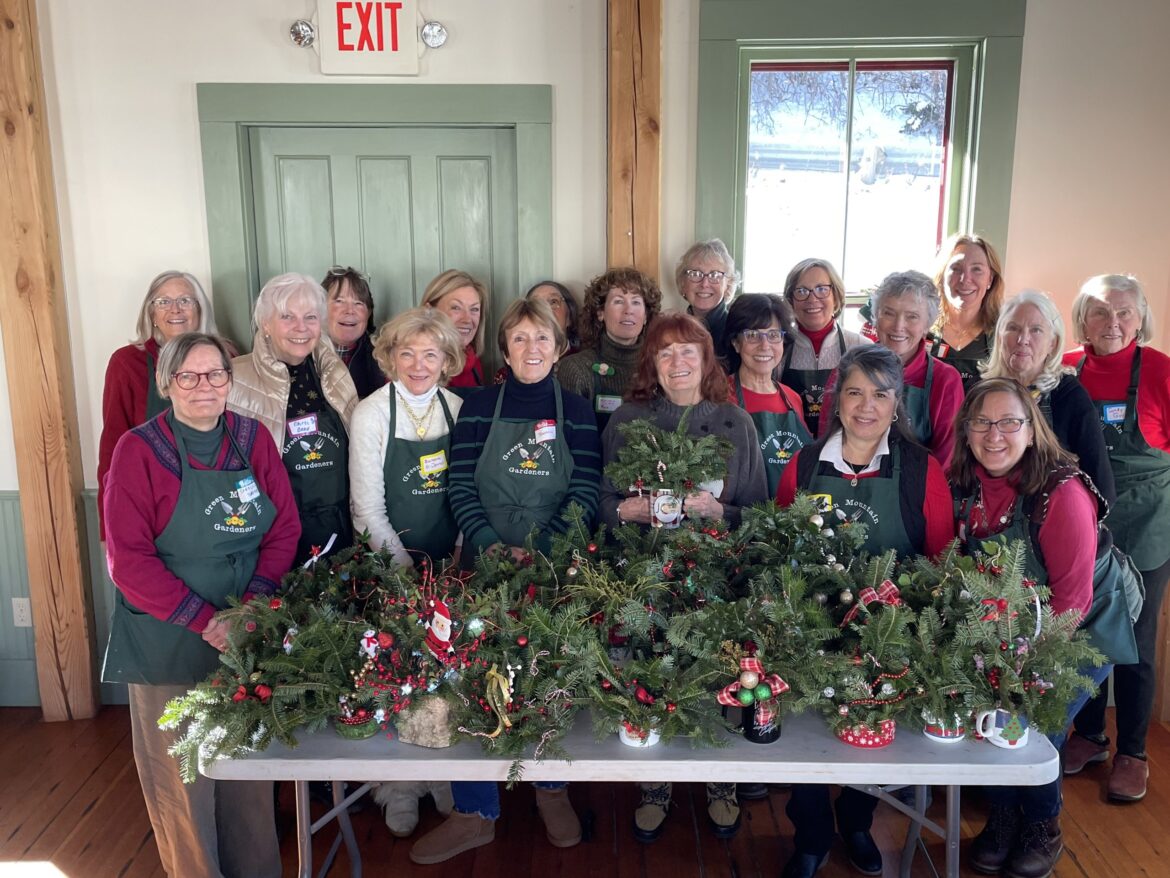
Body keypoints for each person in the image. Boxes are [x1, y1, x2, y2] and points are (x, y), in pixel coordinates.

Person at [102, 332, 300, 878]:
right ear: (166, 384)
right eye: (187, 376)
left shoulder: (252, 439)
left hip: (244, 636)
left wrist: (250, 607)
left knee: (247, 780)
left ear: (230, 381)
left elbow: (284, 529)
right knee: (182, 782)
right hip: (167, 640)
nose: (203, 386)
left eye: (215, 374)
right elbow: (128, 560)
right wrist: (205, 619)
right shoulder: (138, 451)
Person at [412, 297, 601, 864]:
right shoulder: (477, 406)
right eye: (520, 338)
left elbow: (586, 490)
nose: (531, 349)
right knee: (471, 679)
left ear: (559, 348)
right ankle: (475, 811)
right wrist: (491, 545)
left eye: (542, 338)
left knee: (548, 677)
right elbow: (459, 485)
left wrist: (541, 550)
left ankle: (551, 790)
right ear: (505, 349)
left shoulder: (577, 410)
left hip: (553, 566)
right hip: (483, 562)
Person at [775, 345, 954, 878]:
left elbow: (941, 560)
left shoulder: (922, 470)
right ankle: (811, 836)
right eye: (855, 392)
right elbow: (777, 546)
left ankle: (857, 821)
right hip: (811, 631)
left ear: (898, 404)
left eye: (880, 394)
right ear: (838, 401)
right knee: (803, 736)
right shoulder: (806, 464)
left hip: (887, 637)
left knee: (870, 735)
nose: (866, 406)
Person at [599, 313, 768, 844]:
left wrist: (720, 513)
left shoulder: (736, 423)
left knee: (721, 681)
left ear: (706, 359)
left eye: (688, 350)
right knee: (650, 680)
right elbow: (600, 503)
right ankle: (655, 786)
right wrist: (625, 511)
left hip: (717, 580)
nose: (677, 362)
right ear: (651, 363)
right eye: (665, 352)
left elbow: (760, 513)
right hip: (644, 582)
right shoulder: (626, 419)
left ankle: (721, 782)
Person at [951, 379, 1118, 878]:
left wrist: (1023, 674)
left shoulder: (1061, 494)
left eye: (1009, 422)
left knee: (1035, 724)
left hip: (1082, 625)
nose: (994, 434)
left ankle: (1042, 825)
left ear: (1032, 430)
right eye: (982, 422)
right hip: (1015, 623)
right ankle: (1004, 817)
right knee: (994, 717)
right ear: (966, 430)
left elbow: (1071, 602)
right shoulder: (967, 482)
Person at [1061, 274, 1170, 802]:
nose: (1114, 322)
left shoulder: (1162, 372)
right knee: (1082, 631)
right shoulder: (1065, 370)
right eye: (1101, 311)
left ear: (1140, 318)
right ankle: (1089, 735)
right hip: (1082, 522)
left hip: (1145, 522)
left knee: (1136, 643)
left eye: (1125, 312)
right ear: (1083, 319)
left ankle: (1133, 752)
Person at [228, 273, 358, 565]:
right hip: (274, 535)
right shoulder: (234, 379)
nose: (301, 327)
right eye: (287, 316)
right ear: (265, 323)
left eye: (310, 317)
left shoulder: (336, 372)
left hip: (339, 529)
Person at [98, 270, 221, 538]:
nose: (175, 309)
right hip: (149, 508)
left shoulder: (226, 357)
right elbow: (112, 449)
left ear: (200, 310)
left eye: (186, 300)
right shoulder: (126, 363)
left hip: (217, 502)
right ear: (151, 313)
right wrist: (108, 529)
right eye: (163, 302)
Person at [349, 306, 465, 567]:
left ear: (446, 361)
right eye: (407, 354)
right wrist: (404, 570)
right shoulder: (370, 413)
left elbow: (470, 493)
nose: (418, 366)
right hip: (388, 566)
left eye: (430, 355)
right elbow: (367, 510)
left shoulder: (459, 410)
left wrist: (459, 555)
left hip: (452, 564)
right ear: (392, 357)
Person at [982, 289, 1116, 505]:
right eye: (1013, 328)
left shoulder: (1068, 395)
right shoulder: (979, 391)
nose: (1023, 339)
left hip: (1048, 515)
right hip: (987, 513)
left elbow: (1101, 485)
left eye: (1036, 330)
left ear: (1052, 343)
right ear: (999, 336)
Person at [862, 270, 964, 467]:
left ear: (927, 325)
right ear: (875, 317)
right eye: (889, 313)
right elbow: (831, 440)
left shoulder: (945, 380)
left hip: (922, 483)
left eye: (912, 317)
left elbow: (947, 459)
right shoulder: (849, 370)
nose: (898, 326)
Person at [724, 293, 811, 496]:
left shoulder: (793, 398)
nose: (765, 345)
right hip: (742, 513)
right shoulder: (719, 396)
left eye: (773, 335)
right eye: (753, 335)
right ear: (736, 343)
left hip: (793, 513)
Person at [557, 267, 662, 431]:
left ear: (646, 316)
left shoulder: (662, 366)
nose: (628, 310)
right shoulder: (576, 368)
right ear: (601, 313)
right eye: (619, 301)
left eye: (636, 302)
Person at [779, 257, 868, 436]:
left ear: (836, 296)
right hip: (791, 447)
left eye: (822, 289)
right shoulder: (778, 348)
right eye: (802, 291)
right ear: (791, 300)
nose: (812, 299)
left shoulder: (861, 347)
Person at [928, 233, 1005, 387]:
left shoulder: (1003, 333)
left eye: (976, 269)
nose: (965, 279)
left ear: (990, 279)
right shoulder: (921, 328)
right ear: (942, 276)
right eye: (956, 268)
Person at [494, 280, 581, 382]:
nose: (545, 309)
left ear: (569, 316)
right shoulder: (505, 376)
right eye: (536, 303)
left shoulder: (583, 368)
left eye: (553, 302)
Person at [321, 266, 385, 399]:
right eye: (339, 301)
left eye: (358, 303)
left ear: (369, 313)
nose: (349, 310)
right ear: (320, 308)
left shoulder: (383, 358)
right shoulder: (303, 355)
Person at [422, 269, 488, 396]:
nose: (467, 319)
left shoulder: (473, 362)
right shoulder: (415, 362)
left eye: (474, 309)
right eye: (456, 307)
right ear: (429, 310)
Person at [676, 238, 738, 362]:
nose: (704, 284)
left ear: (728, 284)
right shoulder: (673, 330)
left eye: (715, 275)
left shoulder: (736, 332)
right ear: (683, 283)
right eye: (695, 274)